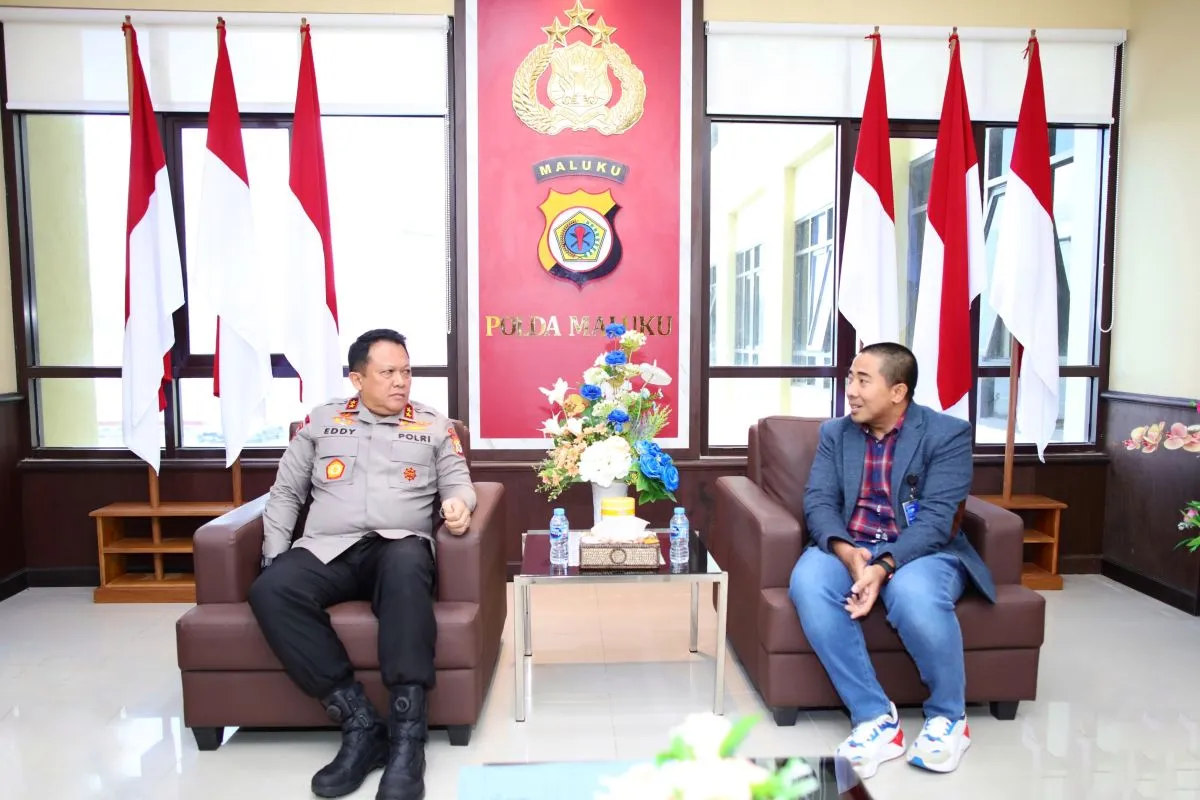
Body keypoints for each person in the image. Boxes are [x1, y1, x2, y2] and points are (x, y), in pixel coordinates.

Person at [249, 328, 475, 800]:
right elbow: (286, 493)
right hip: (328, 548)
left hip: (397, 546)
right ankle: (360, 724)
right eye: (388, 372)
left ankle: (408, 738)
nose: (401, 381)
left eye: (406, 371)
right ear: (357, 379)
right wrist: (275, 554)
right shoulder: (321, 422)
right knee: (272, 588)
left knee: (408, 565)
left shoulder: (434, 425)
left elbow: (459, 482)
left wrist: (459, 505)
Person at [787, 342, 995, 778]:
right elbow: (819, 502)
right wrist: (847, 552)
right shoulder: (835, 434)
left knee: (913, 593)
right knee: (808, 581)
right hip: (853, 544)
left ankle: (949, 718)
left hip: (921, 550)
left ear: (898, 391)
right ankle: (875, 718)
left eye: (863, 380)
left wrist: (883, 567)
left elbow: (936, 522)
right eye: (850, 378)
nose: (851, 390)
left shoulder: (947, 434)